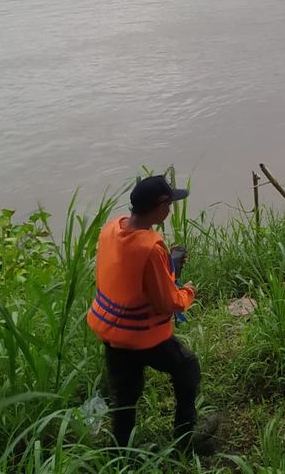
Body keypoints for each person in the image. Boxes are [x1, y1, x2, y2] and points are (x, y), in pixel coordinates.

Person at [87, 174, 216, 451]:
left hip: (111, 333)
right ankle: (185, 436)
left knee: (125, 395)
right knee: (187, 367)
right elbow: (168, 303)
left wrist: (168, 267)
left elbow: (129, 274)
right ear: (160, 207)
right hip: (141, 336)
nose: (170, 209)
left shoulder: (112, 228)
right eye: (169, 204)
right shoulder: (151, 247)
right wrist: (188, 291)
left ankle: (122, 452)